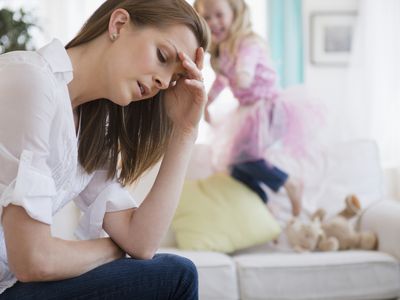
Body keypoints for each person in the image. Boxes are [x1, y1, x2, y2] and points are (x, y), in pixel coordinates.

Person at [0, 0, 209, 299]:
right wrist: (113, 247)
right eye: (162, 56)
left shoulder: (93, 126)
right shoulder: (31, 80)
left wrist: (185, 131)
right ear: (119, 24)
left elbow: (142, 242)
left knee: (177, 271)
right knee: (176, 276)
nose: (164, 82)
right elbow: (34, 260)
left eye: (174, 78)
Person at [194, 0, 321, 217]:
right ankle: (263, 205)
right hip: (249, 110)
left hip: (268, 109)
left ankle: (289, 183)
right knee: (235, 166)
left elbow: (246, 65)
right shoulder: (221, 51)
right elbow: (222, 81)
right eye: (207, 17)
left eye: (219, 15)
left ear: (234, 13)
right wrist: (207, 102)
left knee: (247, 157)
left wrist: (244, 75)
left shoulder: (247, 42)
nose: (213, 22)